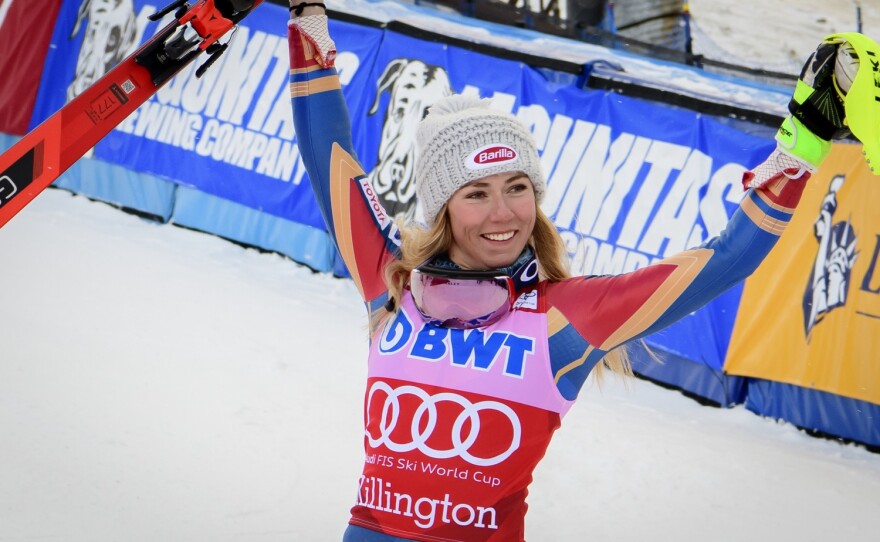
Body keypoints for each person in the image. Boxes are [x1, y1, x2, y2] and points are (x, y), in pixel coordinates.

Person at [287, 3, 874, 540]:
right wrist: (307, 19)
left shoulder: (567, 316)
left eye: (518, 188)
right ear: (441, 207)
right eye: (476, 194)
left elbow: (724, 262)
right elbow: (330, 154)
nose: (503, 214)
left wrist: (805, 138)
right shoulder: (393, 286)